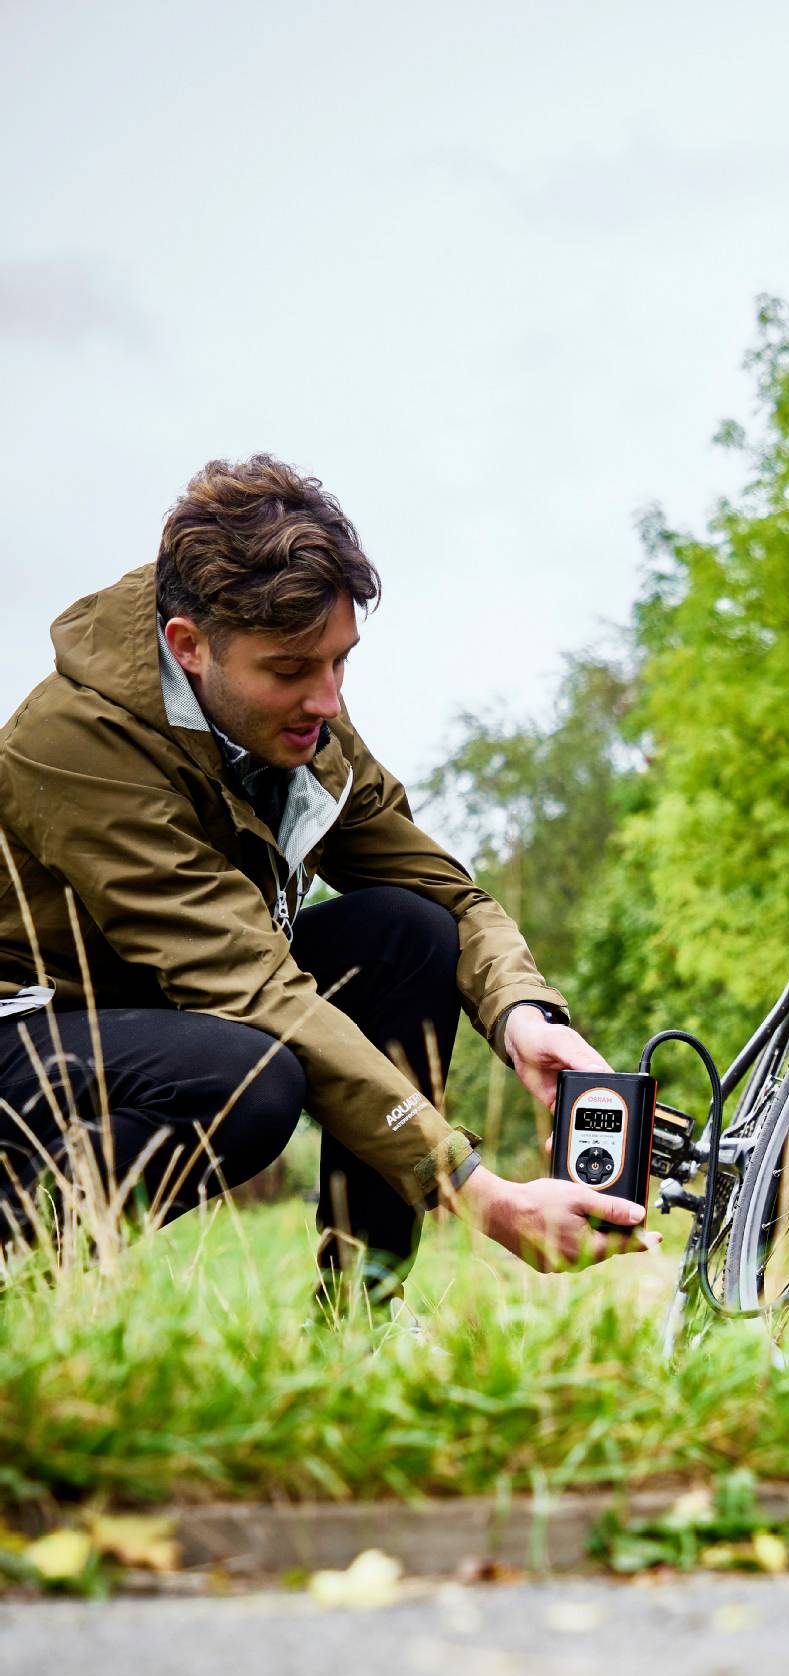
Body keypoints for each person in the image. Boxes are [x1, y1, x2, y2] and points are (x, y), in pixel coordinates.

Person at [0, 454, 647, 1298]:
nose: (328, 700)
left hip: (166, 1003)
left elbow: (446, 889)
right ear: (188, 647)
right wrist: (473, 1188)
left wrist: (520, 1010)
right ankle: (18, 1252)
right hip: (30, 1032)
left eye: (340, 661)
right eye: (292, 670)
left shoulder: (295, 724)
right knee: (247, 1079)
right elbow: (253, 986)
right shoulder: (72, 744)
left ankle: (361, 1312)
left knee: (410, 934)